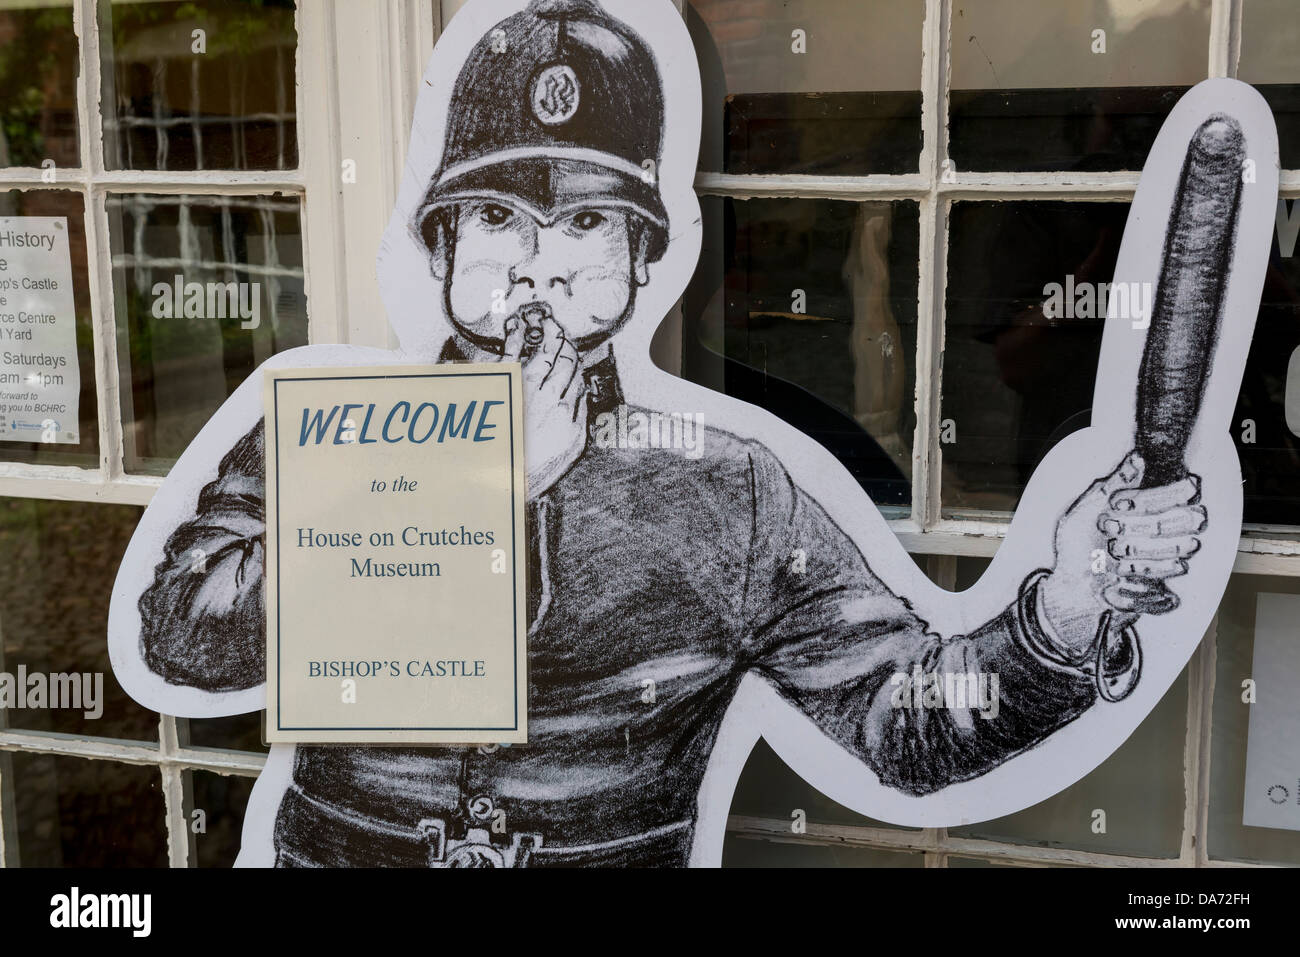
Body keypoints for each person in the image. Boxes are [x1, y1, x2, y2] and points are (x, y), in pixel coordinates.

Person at [120, 0, 1209, 867]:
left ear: (642, 262)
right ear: (442, 242)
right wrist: (466, 485)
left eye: (586, 222)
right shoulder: (329, 437)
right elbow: (183, 633)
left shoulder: (728, 489)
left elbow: (904, 726)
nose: (537, 265)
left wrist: (1064, 606)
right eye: (498, 218)